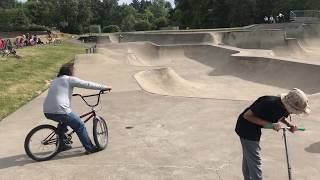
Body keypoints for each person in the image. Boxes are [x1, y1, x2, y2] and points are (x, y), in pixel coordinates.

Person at [235, 88, 310, 180]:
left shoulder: (283, 108)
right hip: (246, 129)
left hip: (255, 128)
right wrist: (270, 125)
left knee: (249, 158)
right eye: (293, 110)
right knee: (255, 161)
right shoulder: (267, 102)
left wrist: (289, 125)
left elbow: (280, 116)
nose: (292, 113)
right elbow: (247, 116)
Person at [43, 63, 111, 154]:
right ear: (70, 71)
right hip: (60, 110)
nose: (74, 72)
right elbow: (87, 84)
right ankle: (90, 148)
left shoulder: (55, 80)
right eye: (73, 70)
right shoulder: (69, 79)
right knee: (79, 125)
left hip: (47, 110)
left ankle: (61, 145)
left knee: (63, 122)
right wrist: (105, 87)